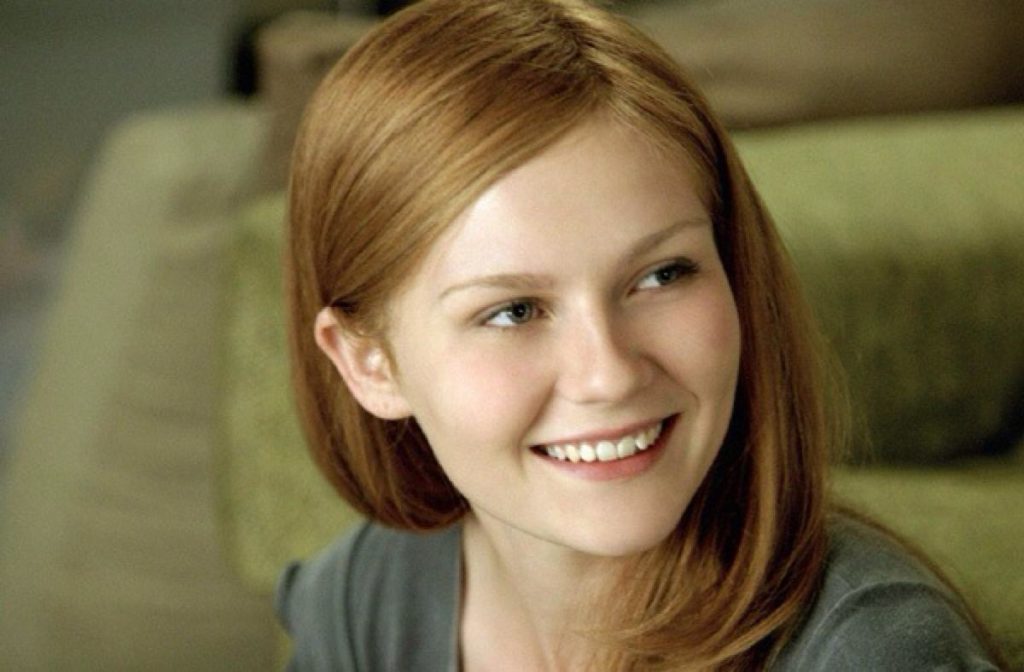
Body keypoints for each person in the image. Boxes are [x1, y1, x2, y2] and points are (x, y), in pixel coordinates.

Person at [278, 0, 1004, 669]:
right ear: (369, 363)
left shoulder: (872, 650)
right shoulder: (362, 601)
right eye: (514, 311)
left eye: (661, 275)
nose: (610, 374)